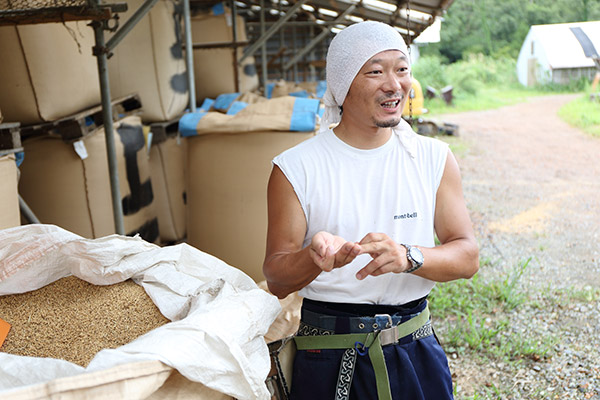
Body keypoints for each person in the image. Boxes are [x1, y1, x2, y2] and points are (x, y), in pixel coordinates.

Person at [263, 21, 479, 400]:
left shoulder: (433, 158)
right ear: (344, 83)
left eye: (402, 69)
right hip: (328, 355)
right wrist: (314, 258)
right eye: (376, 71)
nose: (394, 84)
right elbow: (277, 278)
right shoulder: (296, 168)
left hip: (415, 349)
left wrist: (408, 256)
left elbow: (467, 257)